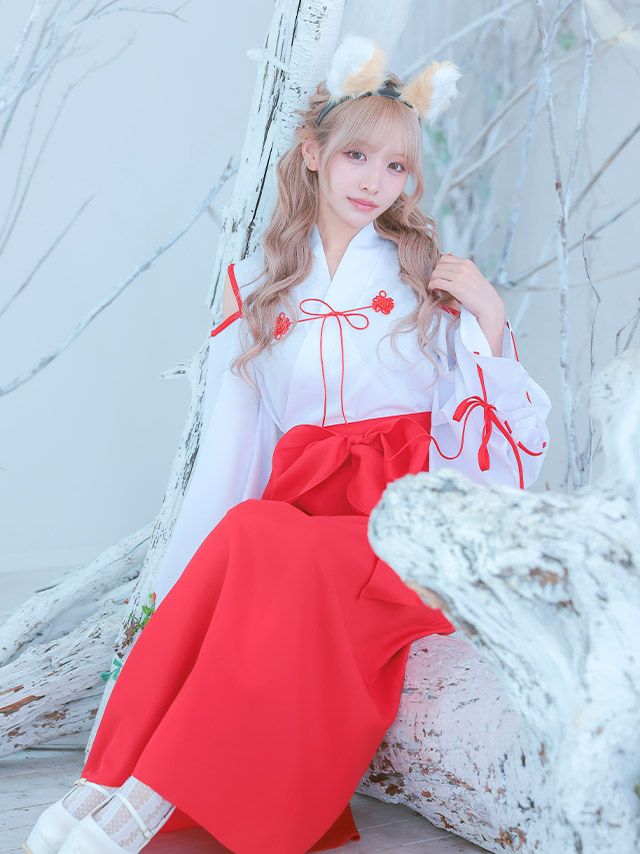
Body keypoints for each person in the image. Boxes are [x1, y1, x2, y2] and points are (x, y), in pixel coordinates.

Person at [24, 34, 551, 854]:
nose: (374, 181)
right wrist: (184, 576)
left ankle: (147, 798)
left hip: (402, 522)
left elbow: (484, 431)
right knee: (251, 529)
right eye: (357, 157)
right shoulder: (257, 284)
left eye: (396, 167)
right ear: (313, 154)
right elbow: (235, 444)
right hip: (303, 512)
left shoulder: (428, 277)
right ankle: (104, 780)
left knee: (278, 547)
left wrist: (489, 316)